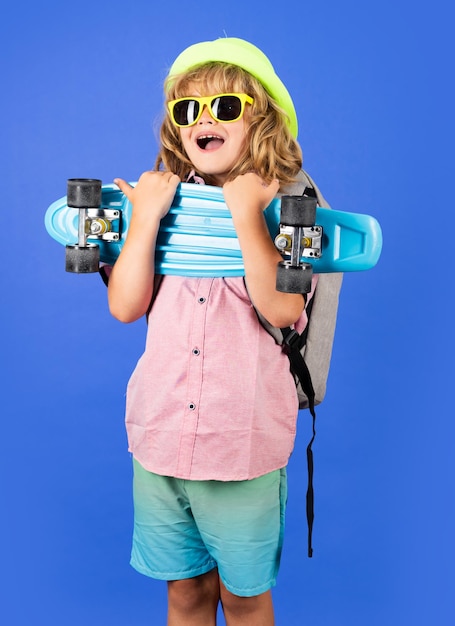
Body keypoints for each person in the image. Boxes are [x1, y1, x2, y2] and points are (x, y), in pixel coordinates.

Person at [107, 37, 318, 626]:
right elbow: (126, 306)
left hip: (241, 444)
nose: (204, 119)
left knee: (244, 600)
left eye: (225, 107)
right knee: (184, 594)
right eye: (187, 110)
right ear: (176, 130)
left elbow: (279, 309)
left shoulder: (292, 205)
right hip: (162, 437)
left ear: (262, 121)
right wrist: (146, 216)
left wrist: (247, 214)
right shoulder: (161, 204)